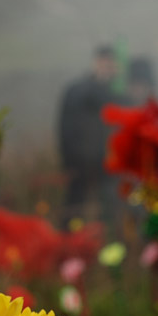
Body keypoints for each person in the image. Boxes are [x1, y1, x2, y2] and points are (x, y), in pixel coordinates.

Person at [58, 46, 120, 229]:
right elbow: (64, 127)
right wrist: (66, 157)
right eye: (103, 62)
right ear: (95, 63)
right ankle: (68, 243)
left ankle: (103, 240)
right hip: (79, 159)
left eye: (110, 63)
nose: (106, 67)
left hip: (106, 162)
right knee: (75, 203)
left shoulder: (116, 94)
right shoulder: (77, 90)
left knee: (107, 204)